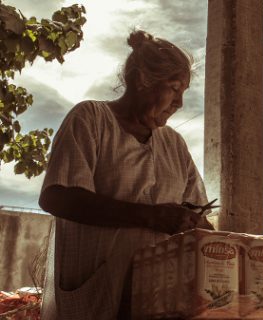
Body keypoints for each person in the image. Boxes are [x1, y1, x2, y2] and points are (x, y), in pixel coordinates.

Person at [38, 30, 213, 320]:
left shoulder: (174, 144)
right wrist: (153, 217)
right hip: (98, 294)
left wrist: (204, 229)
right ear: (142, 80)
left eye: (183, 92)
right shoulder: (91, 118)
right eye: (174, 87)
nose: (179, 102)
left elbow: (197, 214)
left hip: (161, 300)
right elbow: (57, 197)